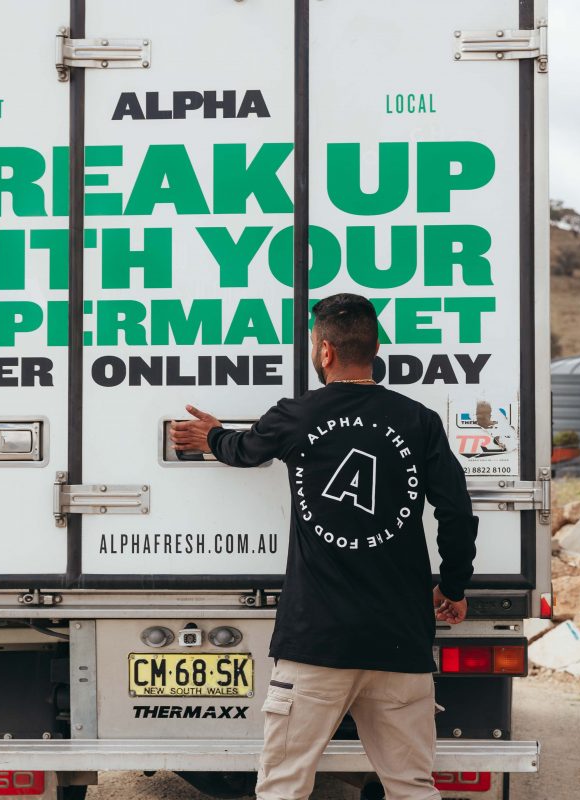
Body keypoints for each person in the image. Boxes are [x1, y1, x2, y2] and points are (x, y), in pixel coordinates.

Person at [170, 292, 478, 800]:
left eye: (315, 344)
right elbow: (456, 511)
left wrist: (213, 436)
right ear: (375, 347)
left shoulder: (297, 415)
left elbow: (245, 451)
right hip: (400, 638)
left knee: (284, 787)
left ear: (326, 352)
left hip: (316, 640)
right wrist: (454, 585)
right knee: (412, 787)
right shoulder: (419, 421)